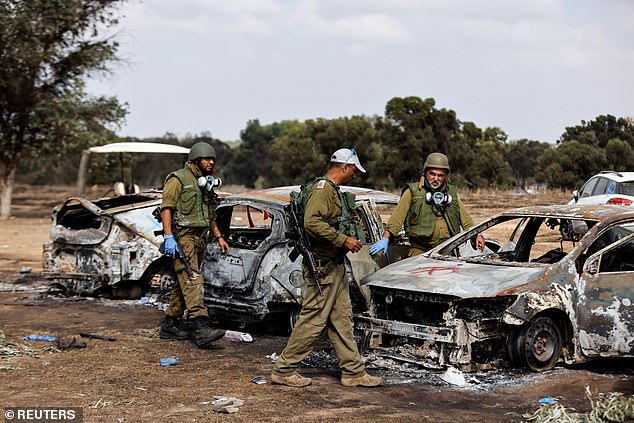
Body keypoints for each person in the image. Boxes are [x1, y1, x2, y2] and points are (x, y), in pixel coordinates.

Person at [271, 148, 382, 388]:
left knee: (342, 319)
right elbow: (312, 222)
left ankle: (353, 372)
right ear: (344, 167)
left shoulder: (331, 190)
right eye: (353, 170)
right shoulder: (322, 190)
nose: (355, 175)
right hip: (323, 267)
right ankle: (284, 369)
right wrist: (343, 240)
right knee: (313, 319)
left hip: (334, 265)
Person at [158, 142, 229, 348]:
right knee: (193, 279)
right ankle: (200, 325)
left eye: (213, 159)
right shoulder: (178, 179)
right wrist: (169, 236)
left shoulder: (205, 183)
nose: (211, 162)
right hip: (184, 237)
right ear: (196, 160)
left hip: (201, 237)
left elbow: (210, 214)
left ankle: (170, 324)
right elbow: (167, 208)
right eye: (207, 159)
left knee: (185, 282)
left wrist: (218, 236)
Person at [370, 152, 484, 257]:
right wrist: (385, 239)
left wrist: (477, 235)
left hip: (447, 249)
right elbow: (396, 219)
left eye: (440, 175)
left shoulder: (452, 194)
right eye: (432, 174)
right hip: (420, 250)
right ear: (425, 172)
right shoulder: (413, 192)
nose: (435, 179)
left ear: (445, 176)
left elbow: (466, 220)